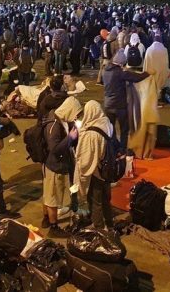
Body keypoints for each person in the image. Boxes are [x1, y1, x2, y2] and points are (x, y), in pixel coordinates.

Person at [42, 97, 82, 237]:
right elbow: (55, 149)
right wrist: (70, 138)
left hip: (56, 164)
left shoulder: (60, 117)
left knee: (48, 194)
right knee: (52, 197)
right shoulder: (54, 125)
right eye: (75, 113)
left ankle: (46, 218)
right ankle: (53, 227)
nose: (76, 116)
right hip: (55, 166)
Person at [74, 100, 113, 229]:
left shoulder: (91, 133)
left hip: (96, 171)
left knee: (95, 201)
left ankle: (99, 229)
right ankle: (110, 224)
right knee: (106, 199)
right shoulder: (106, 123)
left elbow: (86, 159)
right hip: (107, 168)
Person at [102, 50, 149, 149]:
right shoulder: (120, 72)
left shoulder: (105, 70)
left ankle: (113, 146)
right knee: (124, 129)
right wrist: (147, 73)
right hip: (119, 106)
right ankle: (122, 149)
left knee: (111, 128)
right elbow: (136, 78)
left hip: (107, 105)